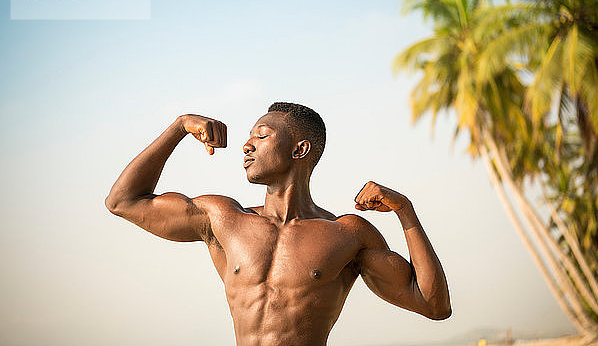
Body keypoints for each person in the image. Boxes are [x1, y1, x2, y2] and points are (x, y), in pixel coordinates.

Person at [105, 102, 451, 346]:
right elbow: (122, 201)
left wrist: (405, 210)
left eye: (262, 135)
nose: (246, 144)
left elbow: (434, 306)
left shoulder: (348, 234)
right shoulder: (223, 218)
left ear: (299, 149)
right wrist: (180, 125)